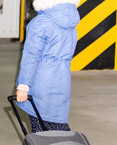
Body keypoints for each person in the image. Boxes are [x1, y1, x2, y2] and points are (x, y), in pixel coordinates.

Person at [15, 0, 80, 133]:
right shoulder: (71, 22)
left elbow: (31, 56)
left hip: (41, 81)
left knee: (39, 129)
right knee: (58, 124)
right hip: (62, 79)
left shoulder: (40, 23)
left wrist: (23, 85)